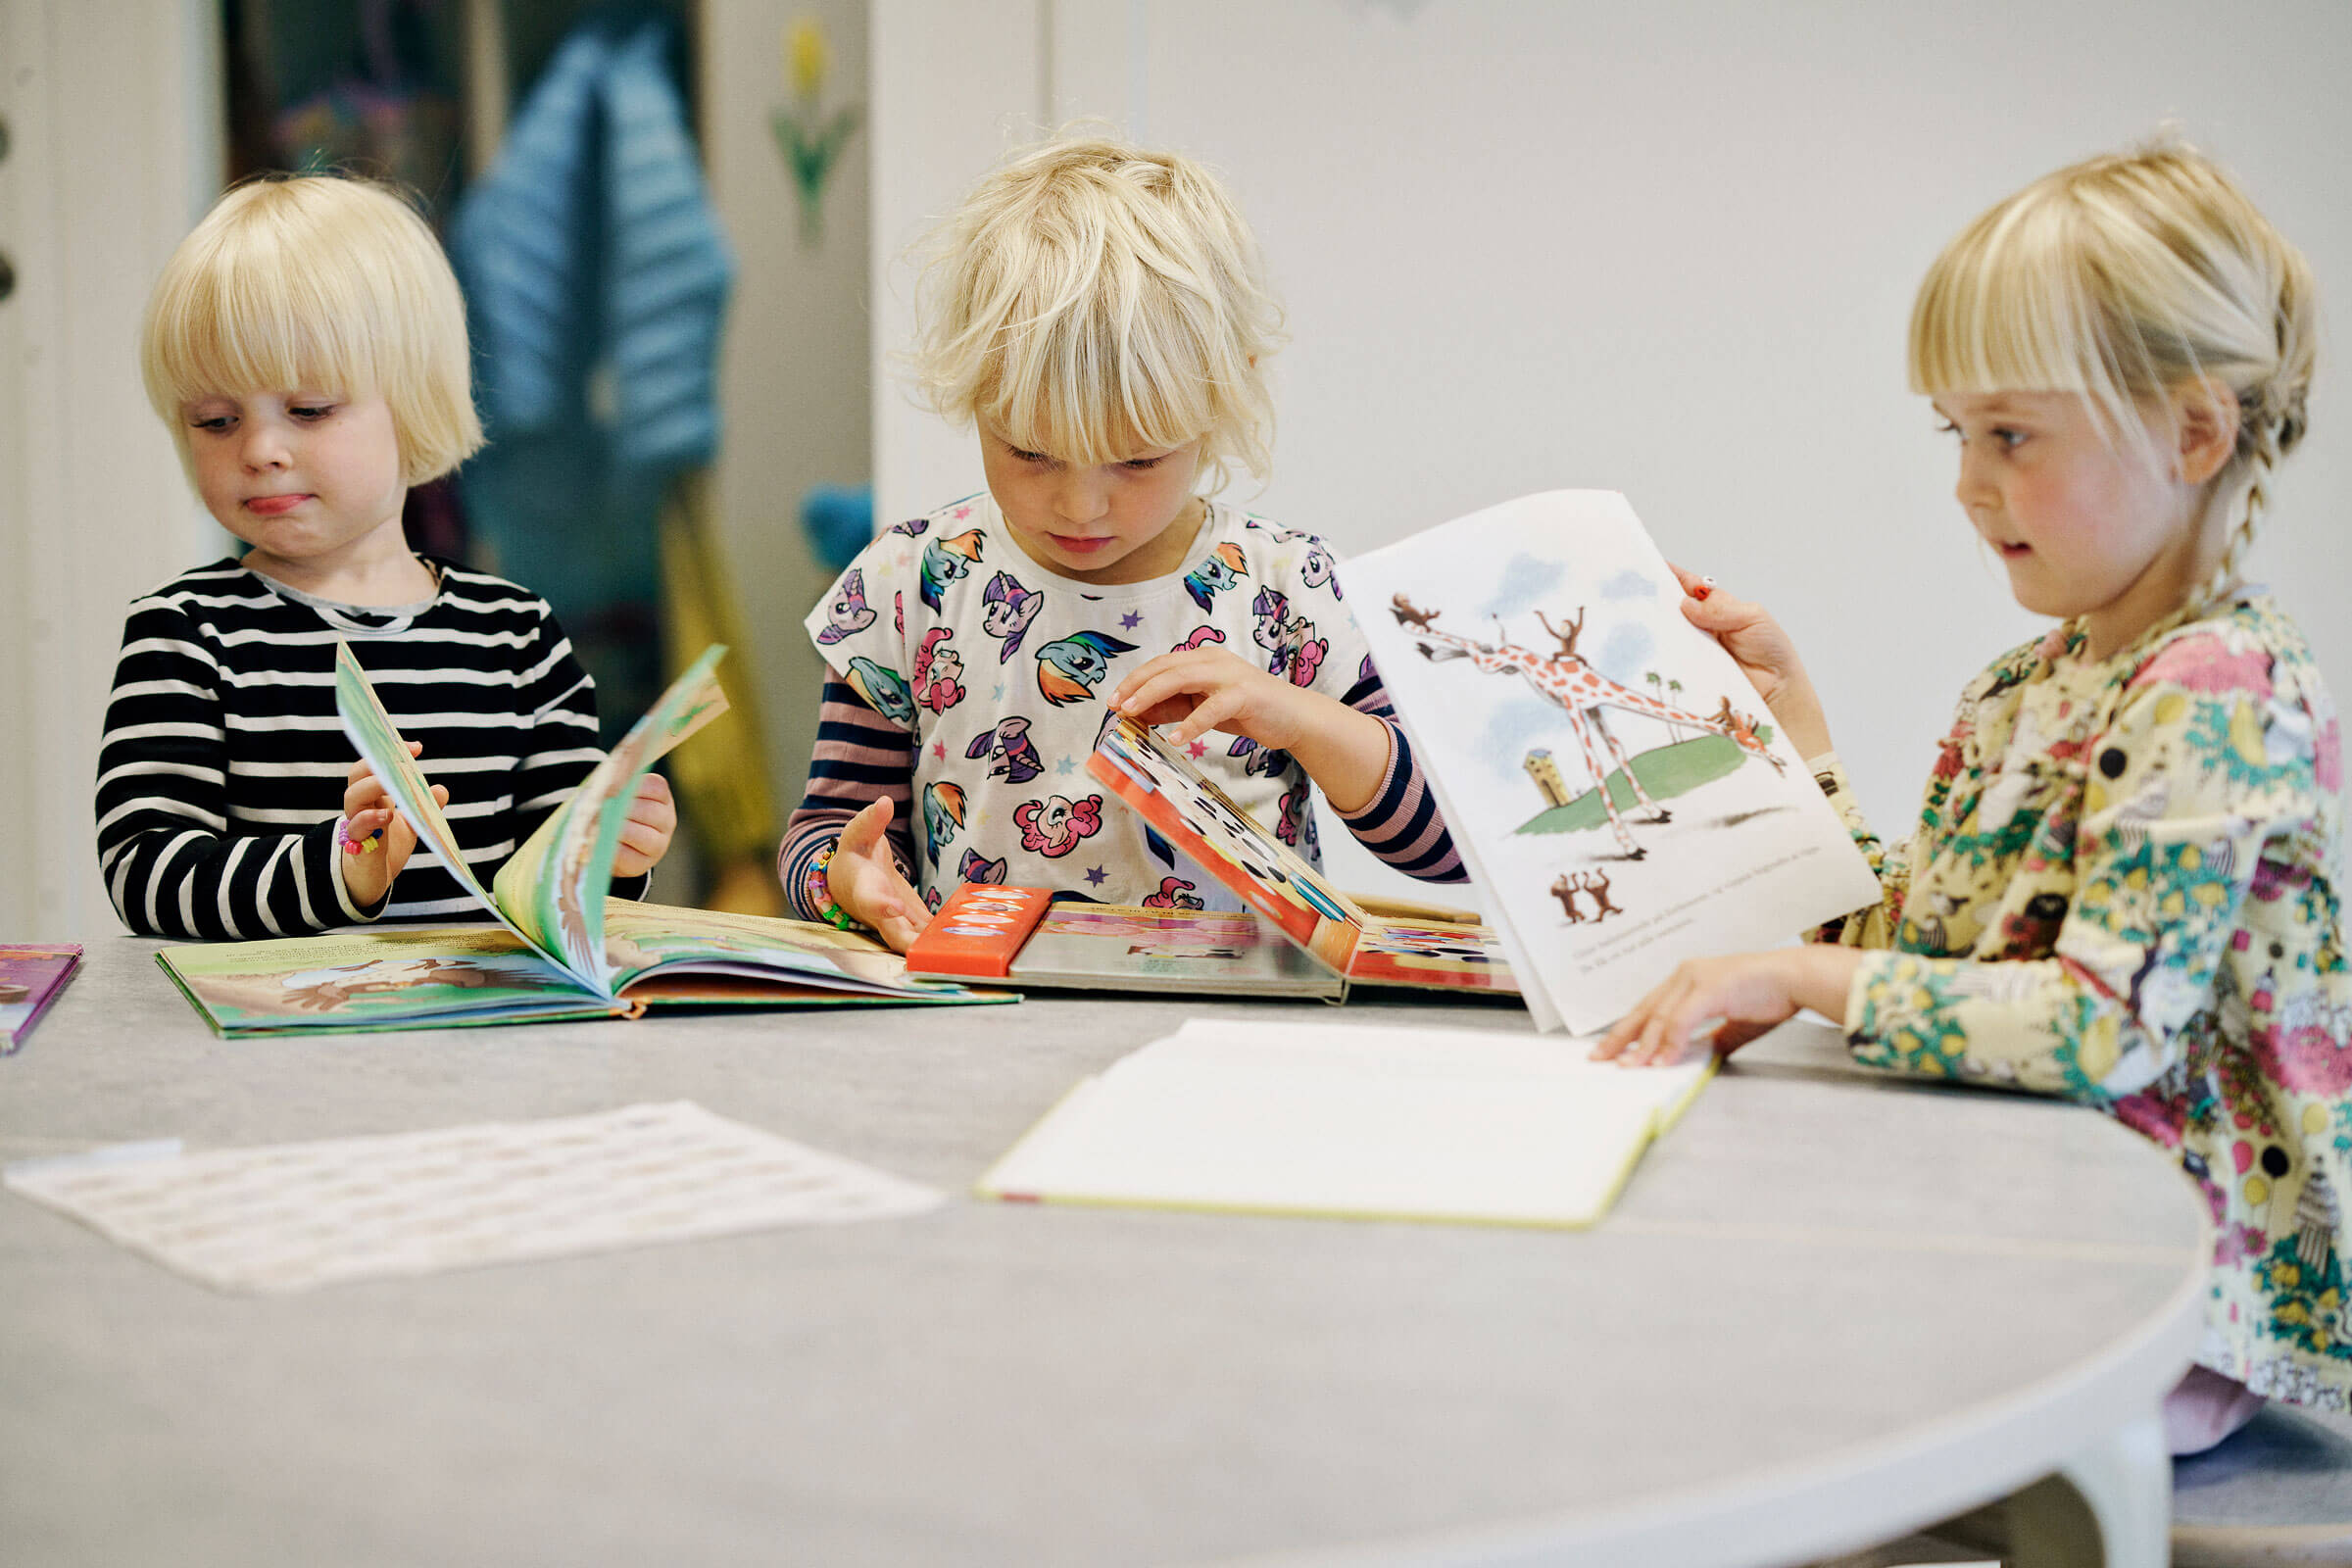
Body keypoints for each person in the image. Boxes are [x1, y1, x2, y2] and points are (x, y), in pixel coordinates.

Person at [1595, 140, 2344, 1447]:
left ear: (2192, 431)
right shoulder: (2025, 689)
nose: (1965, 480)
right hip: (2030, 1210)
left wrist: (1801, 981)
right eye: (1957, 431)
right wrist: (1797, 735)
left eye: (2010, 433)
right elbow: (1919, 956)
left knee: (1750, 1378)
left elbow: (2102, 1029)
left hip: (2172, 1291)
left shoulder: (2216, 689)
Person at [782, 133, 1462, 951]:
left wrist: (1300, 720)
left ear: (1223, 395)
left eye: (1138, 458)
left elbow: (1447, 845)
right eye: (1029, 451)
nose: (1079, 504)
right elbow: (827, 831)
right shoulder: (912, 580)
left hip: (1235, 1045)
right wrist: (847, 879)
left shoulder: (1292, 591)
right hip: (980, 1023)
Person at [98, 174, 675, 939]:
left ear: (414, 402)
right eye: (215, 420)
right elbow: (146, 872)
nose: (261, 449)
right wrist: (336, 871)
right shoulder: (184, 635)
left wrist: (616, 856)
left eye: (308, 410)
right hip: (267, 1050)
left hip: (492, 1044)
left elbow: (556, 893)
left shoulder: (517, 637)